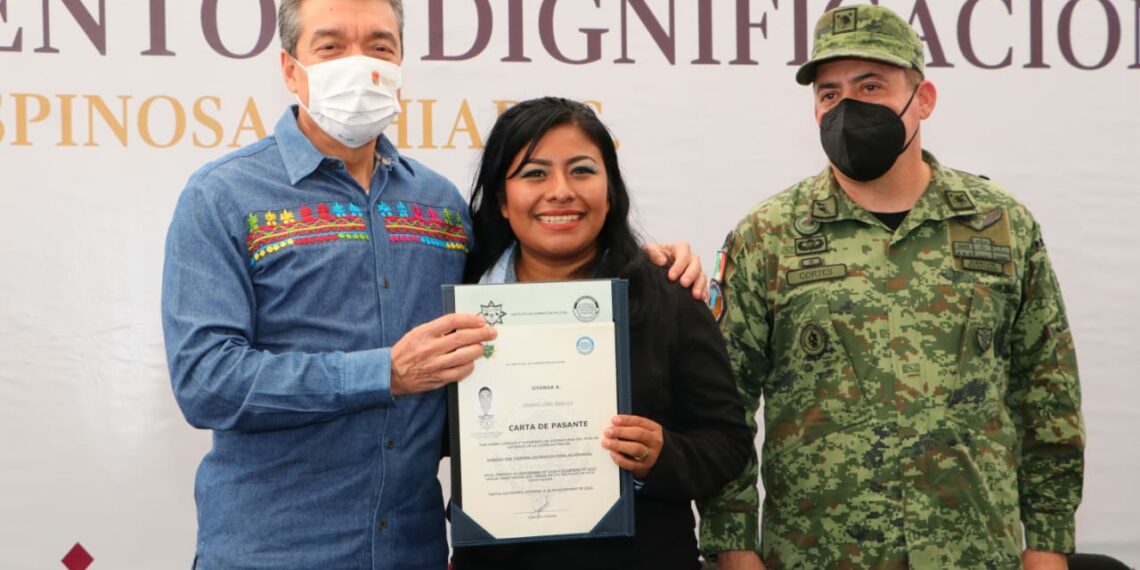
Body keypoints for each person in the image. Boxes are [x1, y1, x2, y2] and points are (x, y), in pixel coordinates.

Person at [161, 2, 705, 568]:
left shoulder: (441, 206)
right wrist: (385, 373)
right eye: (331, 46)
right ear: (290, 69)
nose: (359, 63)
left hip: (412, 549)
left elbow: (532, 273)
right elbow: (207, 381)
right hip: (274, 551)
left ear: (400, 64)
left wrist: (647, 261)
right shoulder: (223, 197)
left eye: (379, 46)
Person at [699, 5, 1085, 570]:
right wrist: (733, 548)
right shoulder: (769, 234)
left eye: (870, 85)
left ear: (922, 99)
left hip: (972, 552)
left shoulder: (1001, 224)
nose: (846, 106)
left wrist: (1048, 545)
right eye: (828, 94)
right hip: (818, 555)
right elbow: (724, 404)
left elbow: (1046, 393)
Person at [449, 97, 754, 570]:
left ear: (609, 191)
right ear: (502, 202)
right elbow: (422, 436)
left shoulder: (667, 295)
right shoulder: (457, 307)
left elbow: (728, 443)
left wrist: (663, 457)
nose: (561, 191)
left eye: (582, 171)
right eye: (534, 173)